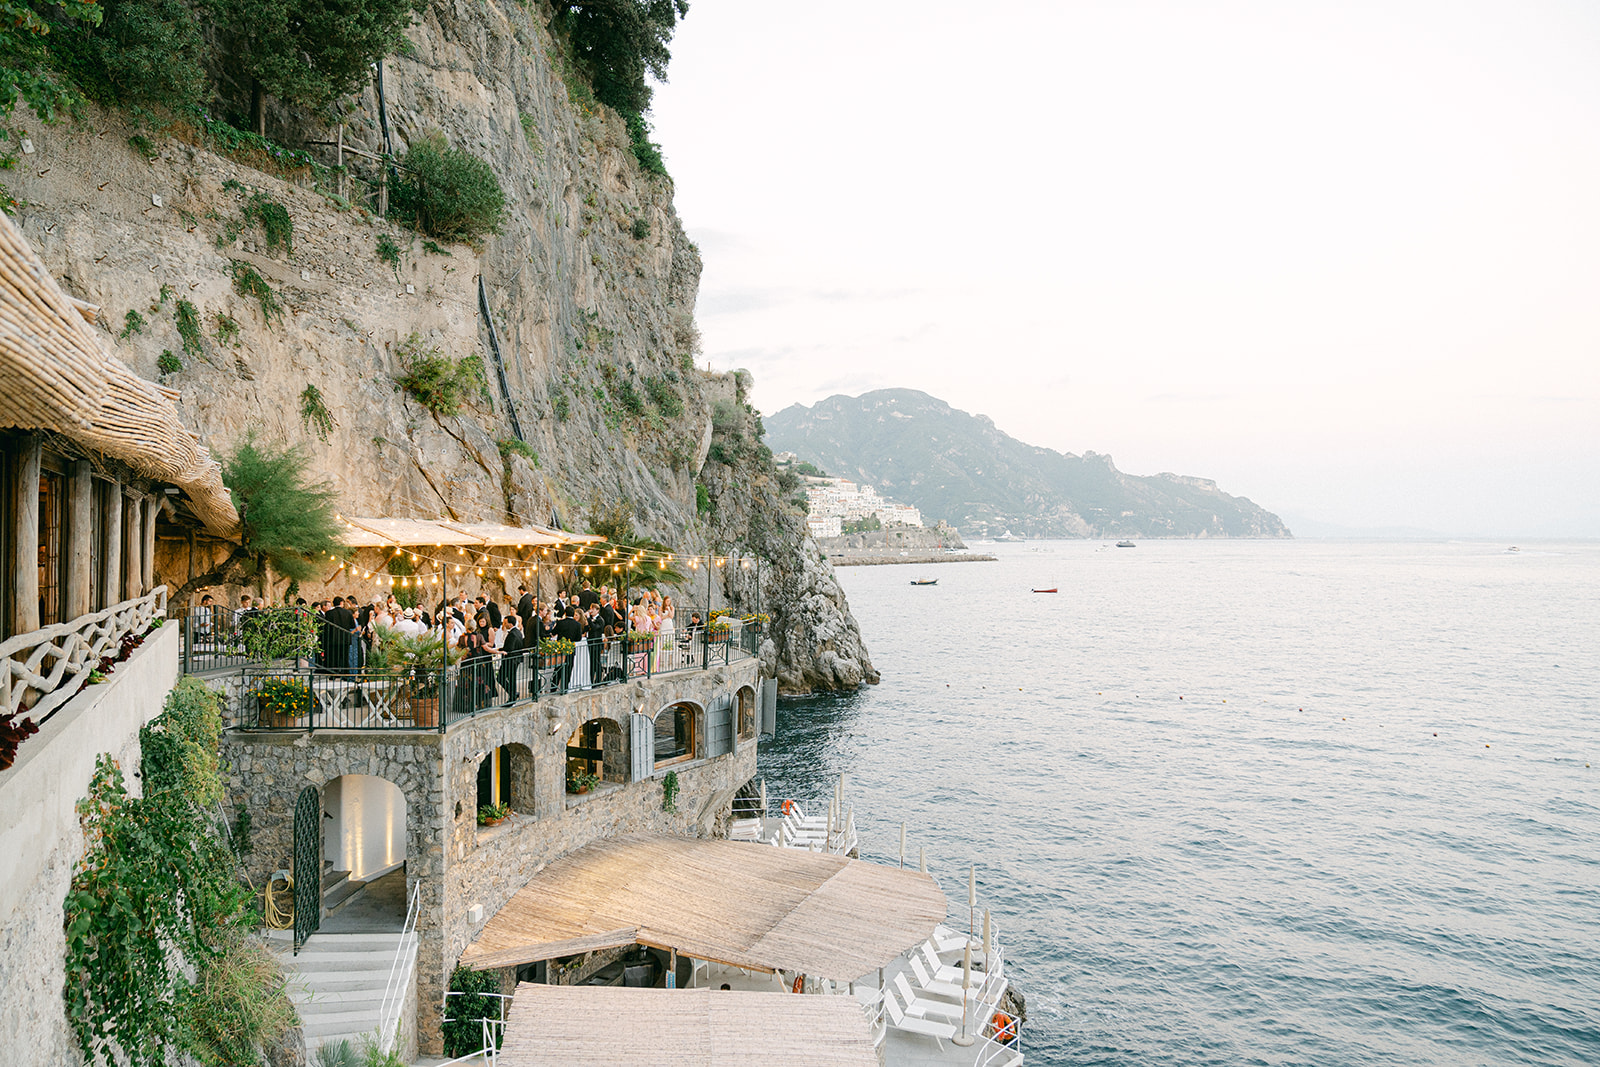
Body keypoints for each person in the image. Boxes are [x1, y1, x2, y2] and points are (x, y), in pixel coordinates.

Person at [497, 615, 525, 701]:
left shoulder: (512, 634)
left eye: (506, 623)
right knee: (511, 678)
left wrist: (499, 650)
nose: (504, 624)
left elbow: (509, 648)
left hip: (510, 660)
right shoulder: (518, 632)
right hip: (515, 659)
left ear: (510, 624)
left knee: (501, 678)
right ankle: (513, 694)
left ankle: (512, 695)